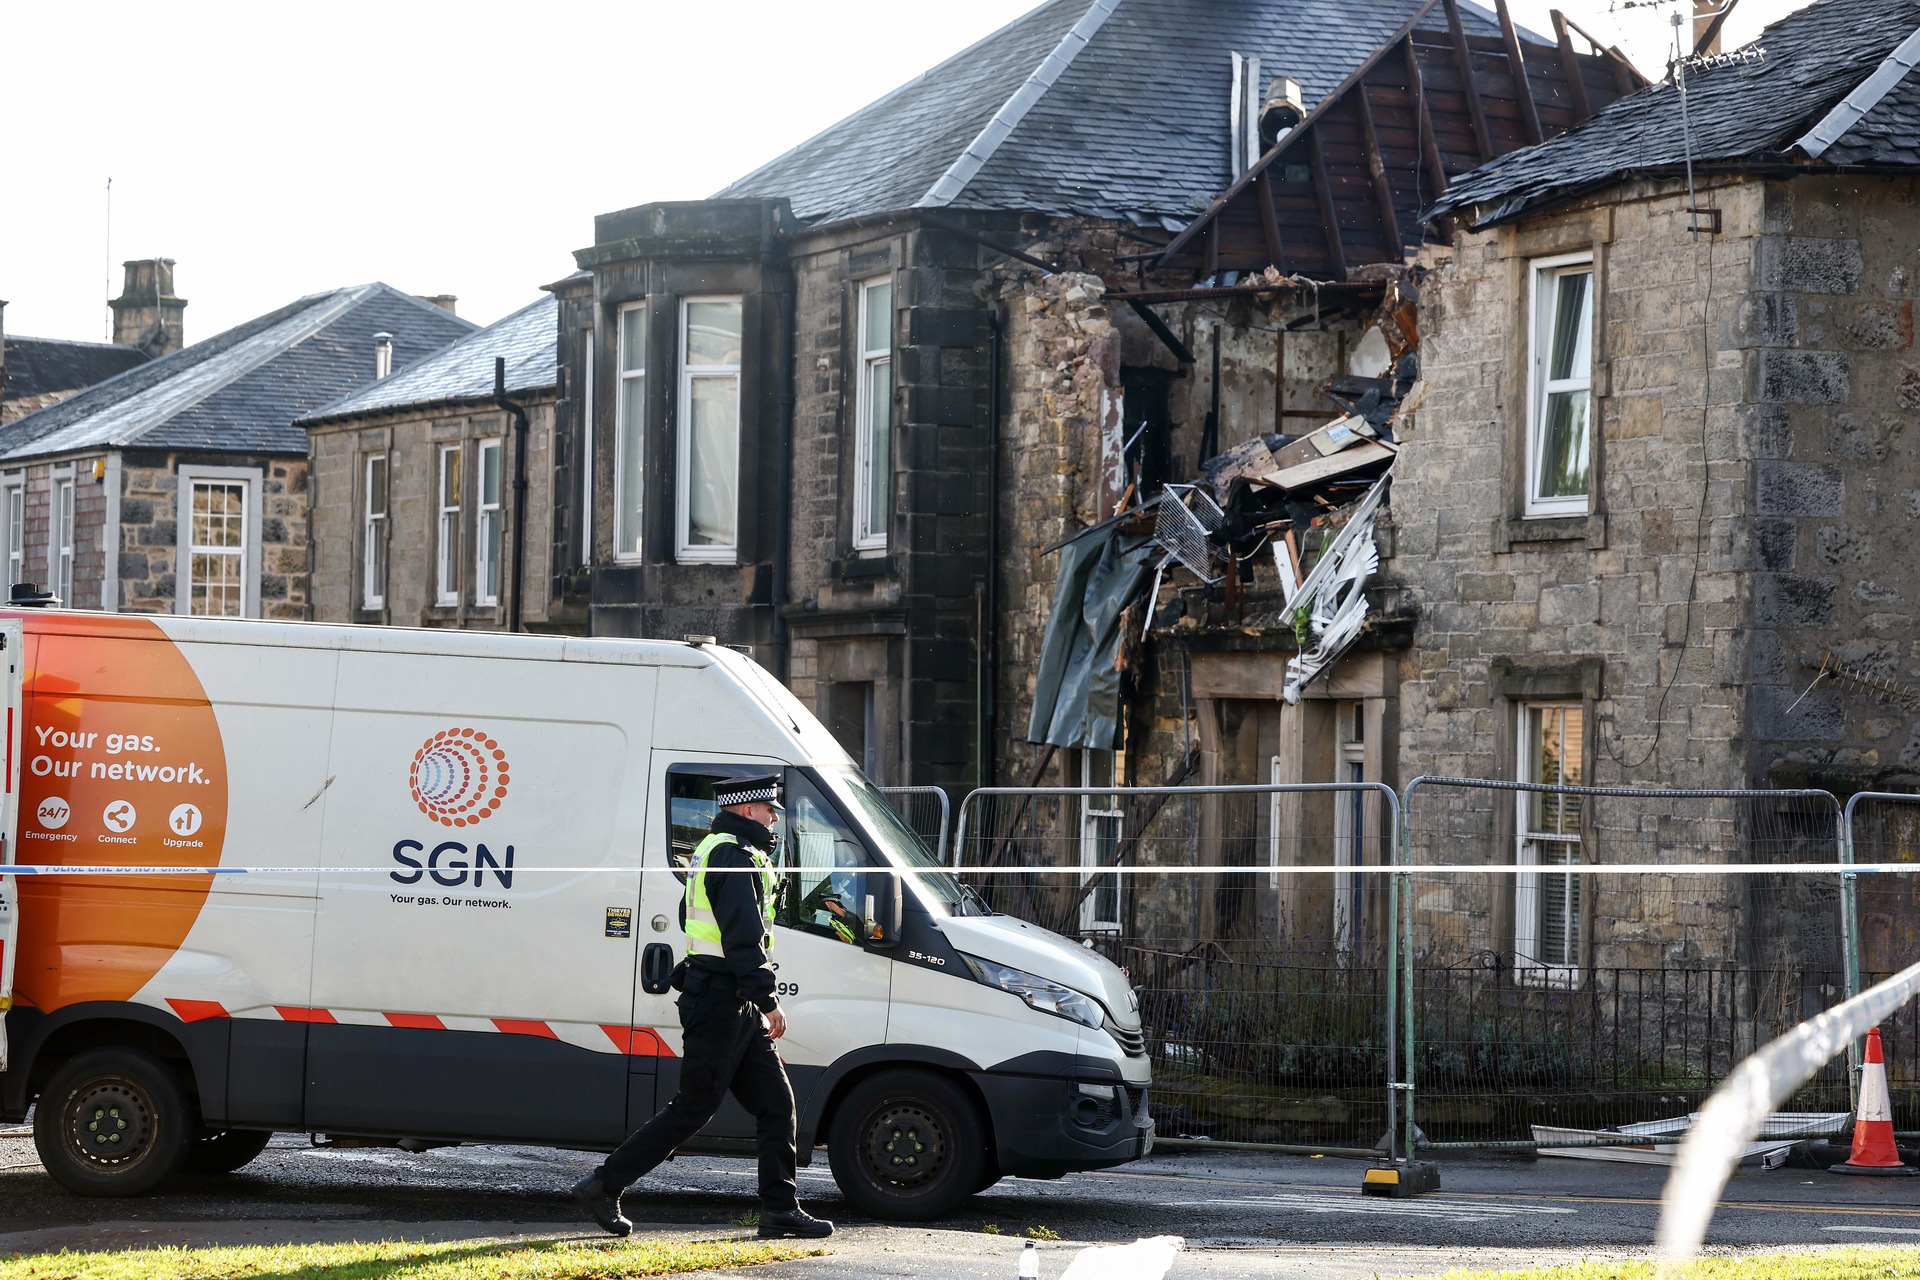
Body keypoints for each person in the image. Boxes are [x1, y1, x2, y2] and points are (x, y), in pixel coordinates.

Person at [573, 774, 832, 1240]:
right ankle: (602, 1185)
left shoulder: (716, 849)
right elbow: (742, 937)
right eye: (769, 809)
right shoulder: (731, 854)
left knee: (777, 1104)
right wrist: (768, 1000)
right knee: (694, 1108)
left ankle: (779, 1211)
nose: (775, 818)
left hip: (730, 1000)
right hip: (720, 1000)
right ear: (748, 809)